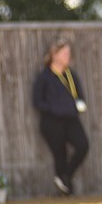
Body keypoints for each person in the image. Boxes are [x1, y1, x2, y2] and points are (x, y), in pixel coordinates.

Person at [32, 39, 89, 194]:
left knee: (83, 145)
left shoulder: (71, 75)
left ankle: (65, 177)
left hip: (71, 119)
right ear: (54, 55)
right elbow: (37, 101)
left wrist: (79, 104)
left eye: (68, 53)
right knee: (60, 154)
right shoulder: (45, 76)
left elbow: (79, 95)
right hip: (52, 122)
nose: (68, 56)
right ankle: (65, 190)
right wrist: (54, 109)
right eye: (64, 53)